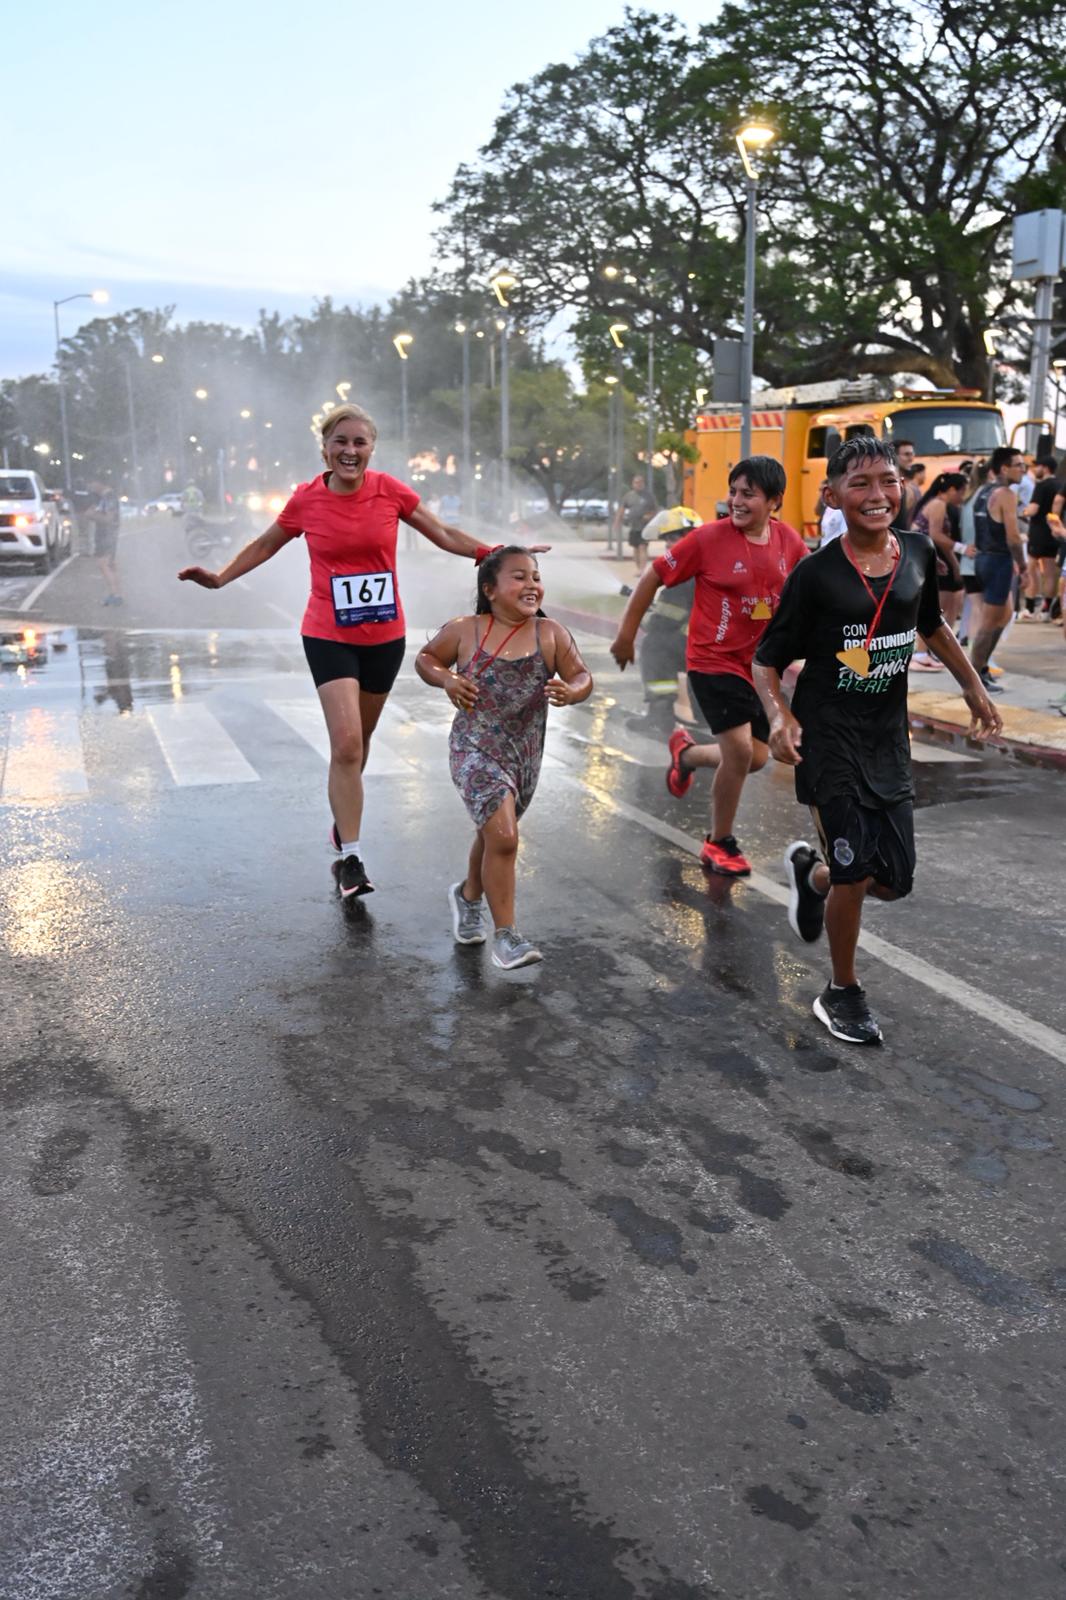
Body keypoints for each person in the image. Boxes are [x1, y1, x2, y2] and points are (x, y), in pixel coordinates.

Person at [178, 403, 543, 900]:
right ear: (325, 447)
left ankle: (340, 820)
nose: (350, 451)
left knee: (362, 741)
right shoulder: (306, 499)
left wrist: (499, 554)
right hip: (328, 632)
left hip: (384, 636)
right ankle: (350, 855)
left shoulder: (389, 491)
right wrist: (221, 577)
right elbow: (266, 544)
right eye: (341, 442)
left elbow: (444, 534)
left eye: (360, 443)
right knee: (347, 742)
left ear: (371, 448)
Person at [753, 436, 1001, 1046]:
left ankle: (811, 879)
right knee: (855, 871)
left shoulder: (916, 552)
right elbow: (766, 661)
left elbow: (931, 626)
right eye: (859, 484)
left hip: (887, 741)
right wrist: (780, 717)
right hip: (828, 739)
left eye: (888, 480)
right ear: (832, 495)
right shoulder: (814, 575)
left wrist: (972, 687)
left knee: (892, 881)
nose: (877, 494)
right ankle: (841, 991)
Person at [610, 456, 807, 877]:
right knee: (739, 751)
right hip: (712, 661)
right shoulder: (707, 539)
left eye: (747, 494)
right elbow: (652, 577)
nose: (736, 501)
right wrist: (627, 636)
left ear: (774, 501)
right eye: (733, 492)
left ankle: (687, 754)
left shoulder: (788, 541)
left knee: (755, 758)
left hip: (758, 667)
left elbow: (810, 590)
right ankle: (719, 842)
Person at [415, 546, 592, 969]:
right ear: (489, 589)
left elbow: (582, 675)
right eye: (519, 577)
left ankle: (468, 896)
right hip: (474, 750)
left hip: (523, 756)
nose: (532, 585)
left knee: (492, 834)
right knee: (505, 837)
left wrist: (573, 691)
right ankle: (507, 937)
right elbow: (425, 659)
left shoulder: (551, 634)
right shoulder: (466, 630)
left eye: (536, 577)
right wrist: (447, 679)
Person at [969, 446, 1027, 692]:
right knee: (989, 623)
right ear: (1004, 468)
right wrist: (1023, 567)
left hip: (983, 559)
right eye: (1019, 465)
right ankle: (973, 678)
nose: (1023, 470)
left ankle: (981, 669)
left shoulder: (983, 491)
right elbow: (1013, 537)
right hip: (998, 560)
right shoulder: (1006, 494)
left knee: (1005, 614)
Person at [909, 471, 969, 665]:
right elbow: (936, 535)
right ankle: (922, 652)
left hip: (934, 556)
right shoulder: (938, 505)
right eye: (961, 492)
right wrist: (962, 549)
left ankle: (935, 651)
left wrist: (954, 563)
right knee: (936, 607)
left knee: (950, 601)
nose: (962, 497)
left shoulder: (940, 505)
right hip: (927, 557)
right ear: (951, 490)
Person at [1021, 454, 1064, 619]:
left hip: (1038, 533)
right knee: (1051, 571)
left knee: (1032, 569)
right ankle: (1047, 609)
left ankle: (1030, 608)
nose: (1035, 469)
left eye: (1037, 466)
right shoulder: (1060, 484)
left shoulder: (1042, 486)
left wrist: (1022, 512)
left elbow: (1033, 509)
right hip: (1055, 533)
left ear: (1045, 468)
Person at [88, 480, 123, 605]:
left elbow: (109, 518)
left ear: (99, 483)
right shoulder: (104, 497)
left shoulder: (109, 497)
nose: (90, 486)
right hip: (107, 535)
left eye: (91, 483)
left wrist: (92, 515)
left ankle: (116, 595)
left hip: (107, 535)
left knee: (104, 564)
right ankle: (115, 593)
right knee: (109, 564)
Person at [615, 474, 656, 575]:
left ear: (643, 483)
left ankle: (642, 570)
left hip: (645, 527)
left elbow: (654, 510)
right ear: (633, 484)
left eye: (641, 482)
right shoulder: (628, 496)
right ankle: (638, 568)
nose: (639, 484)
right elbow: (621, 510)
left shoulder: (649, 496)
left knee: (643, 547)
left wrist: (649, 516)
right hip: (633, 526)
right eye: (636, 482)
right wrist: (617, 522)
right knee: (635, 548)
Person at [893, 440, 919, 529]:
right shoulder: (892, 487)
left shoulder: (912, 485)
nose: (911, 458)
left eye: (912, 454)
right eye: (907, 454)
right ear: (894, 457)